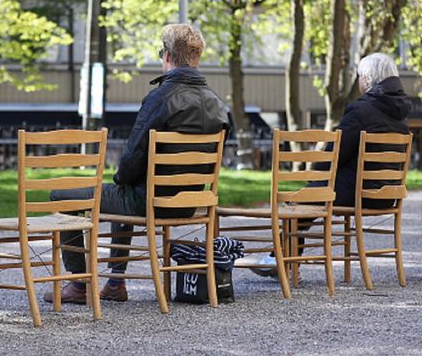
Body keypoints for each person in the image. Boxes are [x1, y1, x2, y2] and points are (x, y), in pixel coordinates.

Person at [44, 23, 230, 304]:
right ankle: (115, 284)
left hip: (149, 201)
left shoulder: (161, 98)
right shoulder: (217, 104)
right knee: (125, 190)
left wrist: (121, 178)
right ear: (197, 58)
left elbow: (131, 161)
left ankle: (79, 285)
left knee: (62, 196)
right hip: (190, 202)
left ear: (167, 56)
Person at [252, 52, 411, 277]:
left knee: (302, 199)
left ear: (366, 79)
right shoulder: (402, 115)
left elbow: (334, 154)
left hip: (357, 191)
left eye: (358, 77)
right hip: (387, 194)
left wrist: (315, 180)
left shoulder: (361, 110)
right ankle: (281, 259)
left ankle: (281, 260)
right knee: (311, 195)